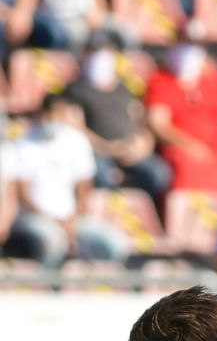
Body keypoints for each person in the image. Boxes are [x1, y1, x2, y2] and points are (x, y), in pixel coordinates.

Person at [3, 92, 128, 265]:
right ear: (42, 113)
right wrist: (56, 221)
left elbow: (84, 188)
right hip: (35, 218)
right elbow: (23, 195)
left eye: (60, 114)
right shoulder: (22, 145)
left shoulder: (76, 142)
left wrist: (73, 219)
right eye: (51, 113)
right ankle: (47, 288)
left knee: (116, 243)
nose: (55, 119)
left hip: (72, 218)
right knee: (53, 243)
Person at [146, 41, 217, 216]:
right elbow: (158, 124)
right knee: (187, 167)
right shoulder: (160, 80)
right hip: (182, 148)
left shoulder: (214, 79)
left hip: (216, 146)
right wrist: (189, 145)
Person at [69, 35, 172, 202]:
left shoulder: (125, 89)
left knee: (159, 175)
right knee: (103, 175)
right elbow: (75, 128)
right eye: (95, 52)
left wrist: (144, 144)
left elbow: (142, 121)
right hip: (98, 151)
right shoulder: (75, 90)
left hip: (131, 150)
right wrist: (108, 148)